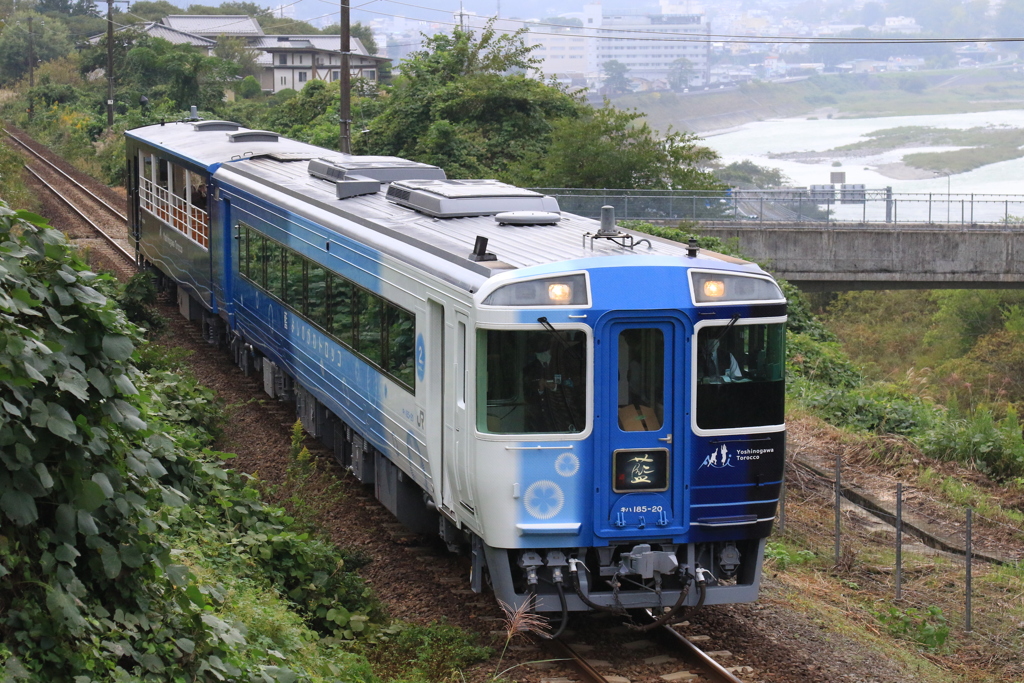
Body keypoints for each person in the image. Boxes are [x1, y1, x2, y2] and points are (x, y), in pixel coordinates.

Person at [523, 335, 558, 432]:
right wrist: (540, 388)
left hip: (561, 413)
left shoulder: (562, 364)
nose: (543, 353)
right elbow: (526, 393)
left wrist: (555, 387)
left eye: (545, 349)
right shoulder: (529, 369)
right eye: (539, 351)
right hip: (538, 416)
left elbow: (574, 385)